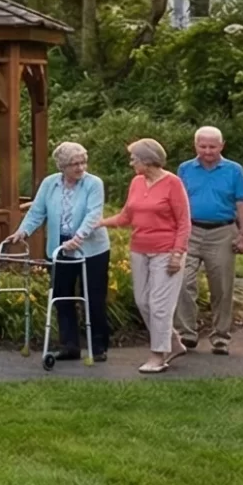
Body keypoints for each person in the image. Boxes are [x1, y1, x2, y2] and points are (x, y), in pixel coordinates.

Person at [8, 141, 109, 363]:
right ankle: (69, 346)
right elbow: (37, 212)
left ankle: (98, 345)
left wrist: (78, 237)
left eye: (83, 162)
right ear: (61, 166)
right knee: (62, 295)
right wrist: (22, 232)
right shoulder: (50, 184)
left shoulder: (93, 184)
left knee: (93, 295)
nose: (81, 168)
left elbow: (94, 214)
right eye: (74, 164)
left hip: (91, 247)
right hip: (59, 246)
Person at [102, 139, 191, 375]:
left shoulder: (173, 183)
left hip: (167, 251)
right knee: (142, 301)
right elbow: (126, 216)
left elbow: (184, 222)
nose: (131, 162)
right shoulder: (137, 182)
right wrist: (99, 223)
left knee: (159, 305)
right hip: (139, 249)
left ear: (147, 160)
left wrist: (177, 253)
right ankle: (171, 341)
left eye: (134, 159)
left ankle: (158, 356)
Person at [175, 125, 243, 355]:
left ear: (222, 145)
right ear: (195, 145)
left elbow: (242, 203)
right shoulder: (185, 169)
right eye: (202, 146)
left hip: (222, 231)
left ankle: (220, 337)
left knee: (222, 286)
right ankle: (186, 334)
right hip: (191, 230)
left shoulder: (233, 170)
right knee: (182, 281)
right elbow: (178, 202)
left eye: (212, 146)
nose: (207, 151)